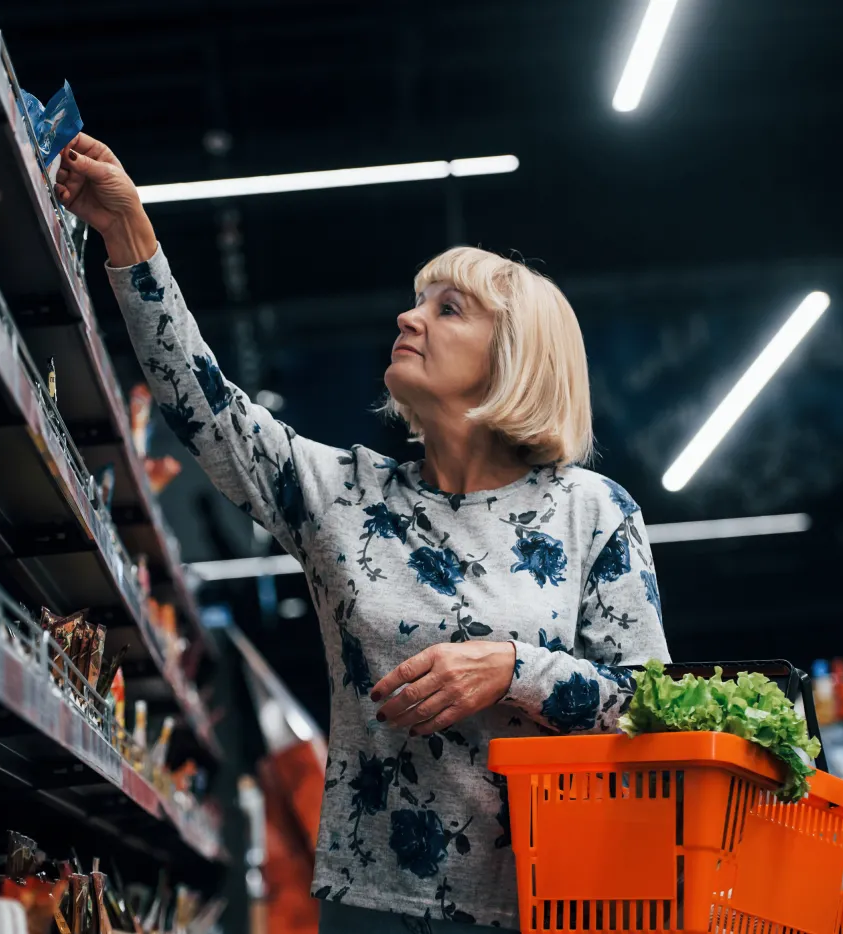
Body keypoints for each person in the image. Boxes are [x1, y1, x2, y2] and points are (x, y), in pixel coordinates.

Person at [54, 134, 670, 933]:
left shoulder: (595, 511)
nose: (409, 316)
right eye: (419, 301)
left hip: (559, 901)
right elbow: (202, 404)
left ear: (514, 358)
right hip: (373, 904)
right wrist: (129, 233)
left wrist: (513, 668)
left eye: (448, 309)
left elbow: (651, 710)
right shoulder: (343, 496)